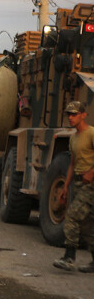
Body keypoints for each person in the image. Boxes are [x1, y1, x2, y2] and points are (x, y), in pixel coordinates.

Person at [53, 101, 94, 272]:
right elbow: (72, 164)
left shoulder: (91, 133)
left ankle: (69, 258)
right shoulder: (73, 137)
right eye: (68, 114)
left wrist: (91, 173)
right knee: (87, 225)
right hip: (77, 183)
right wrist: (65, 187)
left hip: (90, 185)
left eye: (74, 114)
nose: (70, 117)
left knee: (71, 217)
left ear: (83, 115)